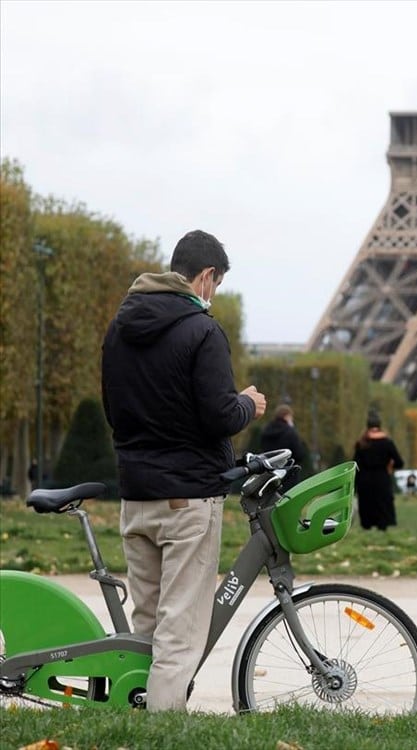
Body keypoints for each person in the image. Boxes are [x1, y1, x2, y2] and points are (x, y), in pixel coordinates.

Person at [101, 229, 267, 711]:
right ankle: (164, 730)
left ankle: (130, 718)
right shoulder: (203, 331)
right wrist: (246, 404)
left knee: (147, 625)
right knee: (179, 631)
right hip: (187, 500)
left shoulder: (120, 327)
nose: (213, 296)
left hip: (137, 497)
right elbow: (219, 416)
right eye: (215, 285)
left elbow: (113, 410)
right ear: (206, 276)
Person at [352, 413, 404, 530]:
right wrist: (390, 466)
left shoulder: (362, 443)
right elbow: (399, 462)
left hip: (365, 480)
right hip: (382, 479)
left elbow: (356, 464)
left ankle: (367, 526)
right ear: (380, 425)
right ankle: (383, 526)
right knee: (382, 506)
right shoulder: (387, 443)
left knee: (367, 505)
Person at [257, 404, 309, 492]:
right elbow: (299, 453)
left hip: (269, 471)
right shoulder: (290, 432)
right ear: (287, 416)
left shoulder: (266, 430)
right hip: (288, 473)